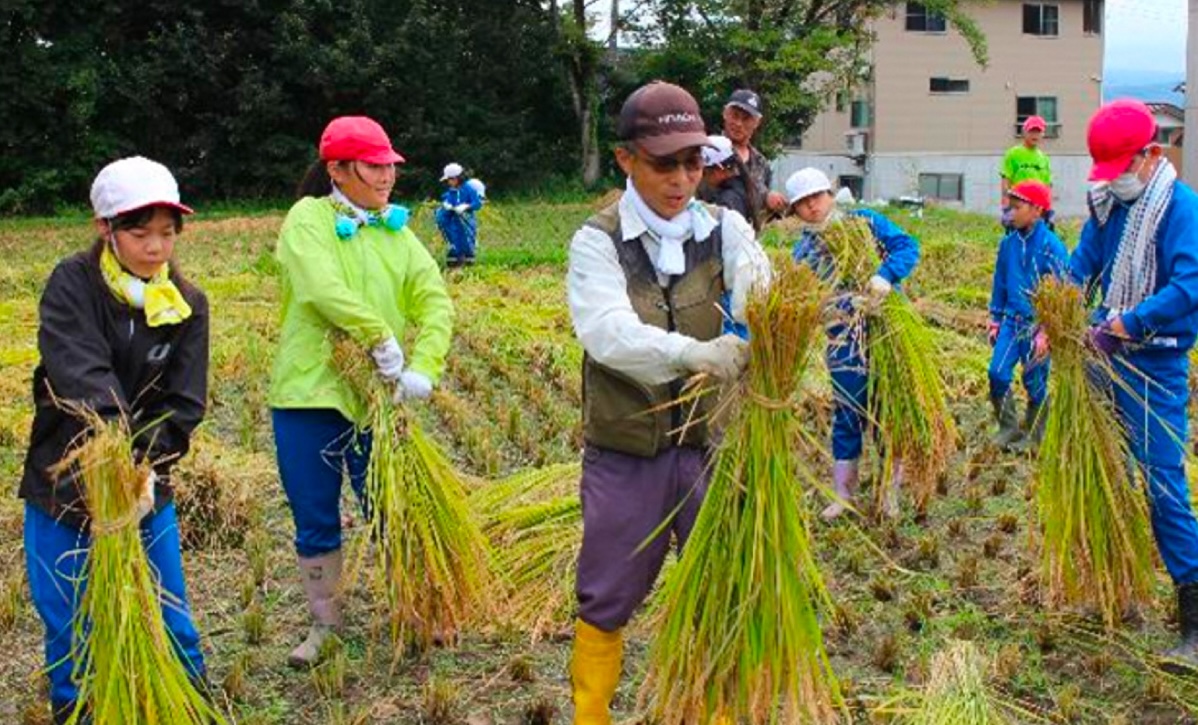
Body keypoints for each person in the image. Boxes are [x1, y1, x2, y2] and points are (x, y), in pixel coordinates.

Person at [565, 81, 770, 723]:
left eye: (692, 162)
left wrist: (763, 325)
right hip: (628, 451)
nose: (681, 179)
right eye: (663, 164)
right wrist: (693, 354)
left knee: (725, 591)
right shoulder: (597, 241)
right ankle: (592, 714)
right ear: (626, 159)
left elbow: (760, 289)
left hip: (711, 446)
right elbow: (606, 333)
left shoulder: (725, 227)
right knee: (606, 596)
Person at [20, 156, 210, 723]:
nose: (156, 247)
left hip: (147, 485)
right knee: (67, 614)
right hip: (64, 480)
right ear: (105, 228)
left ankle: (190, 703)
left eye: (168, 233)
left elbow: (184, 401)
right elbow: (80, 372)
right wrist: (113, 453)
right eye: (139, 232)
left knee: (169, 610)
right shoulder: (73, 284)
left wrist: (146, 466)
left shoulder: (186, 302)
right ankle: (76, 709)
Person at [270, 116, 453, 668]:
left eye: (390, 166)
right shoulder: (308, 219)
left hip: (377, 398)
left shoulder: (398, 233)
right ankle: (325, 625)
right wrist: (378, 335)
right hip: (309, 395)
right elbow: (320, 287)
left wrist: (423, 366)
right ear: (338, 169)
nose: (387, 176)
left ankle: (416, 609)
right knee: (315, 514)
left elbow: (435, 301)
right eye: (374, 166)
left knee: (393, 507)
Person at [1067, 99, 1198, 669]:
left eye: (1122, 168)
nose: (1115, 180)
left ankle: (1194, 621)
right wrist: (1058, 312)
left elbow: (1190, 285)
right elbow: (1082, 265)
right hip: (1103, 358)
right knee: (1098, 468)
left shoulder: (1180, 208)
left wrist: (1131, 323)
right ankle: (1114, 585)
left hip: (1155, 365)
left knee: (1163, 485)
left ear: (1151, 154)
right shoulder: (1107, 205)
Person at [787, 167, 920, 520]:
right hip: (843, 338)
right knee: (847, 409)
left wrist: (884, 276)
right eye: (802, 202)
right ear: (795, 210)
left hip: (884, 330)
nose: (812, 206)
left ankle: (889, 491)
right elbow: (804, 299)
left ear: (830, 195)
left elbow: (907, 246)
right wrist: (825, 310)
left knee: (887, 408)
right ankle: (843, 494)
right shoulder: (804, 251)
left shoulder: (863, 222)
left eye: (817, 197)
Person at [987, 179, 1067, 451]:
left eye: (1017, 207)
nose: (1011, 213)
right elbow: (1000, 283)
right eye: (1009, 207)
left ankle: (1035, 436)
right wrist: (995, 319)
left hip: (1037, 326)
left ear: (1037, 210)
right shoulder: (1008, 244)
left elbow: (1061, 294)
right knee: (997, 372)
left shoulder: (1052, 247)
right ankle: (1008, 428)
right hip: (1011, 321)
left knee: (1034, 381)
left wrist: (1047, 331)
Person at [721, 88, 787, 223]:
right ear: (725, 113)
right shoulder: (710, 151)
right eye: (735, 115)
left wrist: (769, 199)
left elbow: (762, 212)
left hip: (749, 233)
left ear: (757, 123)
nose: (738, 123)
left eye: (746, 119)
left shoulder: (762, 163)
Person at [1000, 115, 1053, 227]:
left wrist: (1048, 209)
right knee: (1017, 236)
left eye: (1038, 132)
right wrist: (1006, 208)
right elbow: (1006, 183)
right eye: (1031, 131)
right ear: (1024, 132)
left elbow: (1047, 187)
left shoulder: (1044, 158)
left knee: (1037, 237)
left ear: (1043, 134)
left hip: (1038, 209)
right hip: (1019, 207)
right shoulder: (1013, 154)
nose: (1035, 135)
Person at [435, 162, 483, 267]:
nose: (448, 182)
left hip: (466, 220)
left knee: (466, 240)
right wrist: (446, 204)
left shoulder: (469, 189)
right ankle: (454, 261)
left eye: (450, 180)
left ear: (457, 178)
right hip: (454, 220)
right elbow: (448, 199)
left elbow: (477, 204)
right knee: (454, 239)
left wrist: (466, 206)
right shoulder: (452, 190)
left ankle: (468, 261)